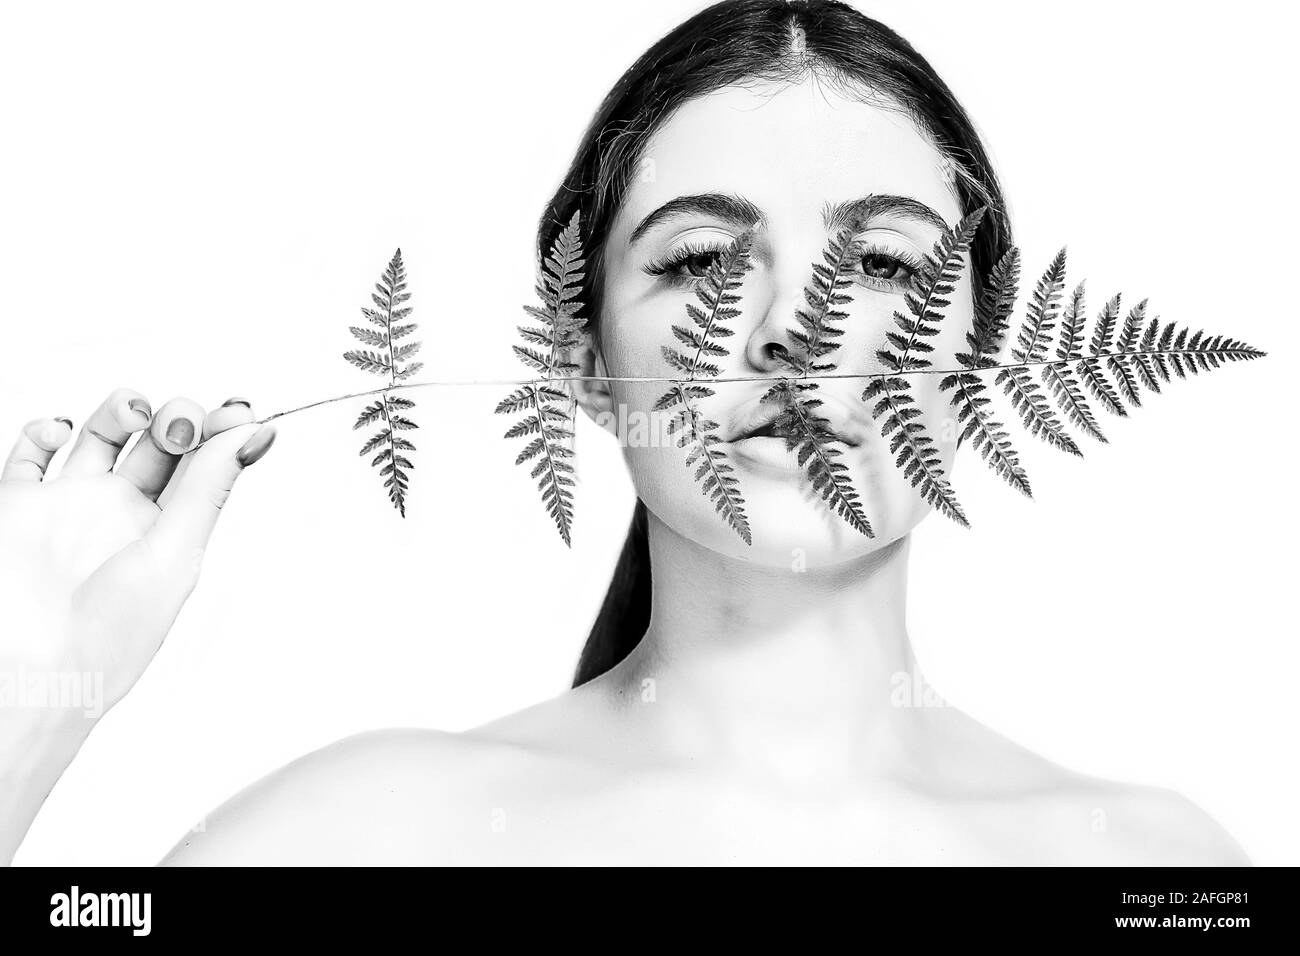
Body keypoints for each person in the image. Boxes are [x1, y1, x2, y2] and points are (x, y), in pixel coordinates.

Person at [0, 0, 1249, 865]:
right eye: (703, 259)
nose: (787, 332)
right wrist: (29, 694)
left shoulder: (1156, 870)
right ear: (580, 357)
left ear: (979, 350)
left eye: (876, 262)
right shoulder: (363, 839)